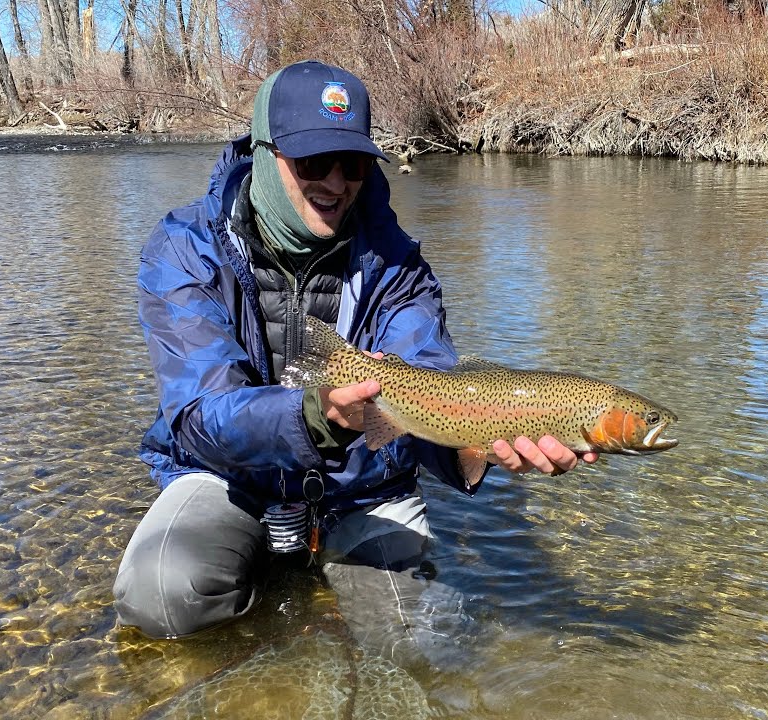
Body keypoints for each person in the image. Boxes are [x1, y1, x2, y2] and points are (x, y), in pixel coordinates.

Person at [113, 60, 597, 643]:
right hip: (228, 478)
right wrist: (314, 417)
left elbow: (429, 390)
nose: (337, 184)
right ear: (263, 153)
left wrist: (484, 443)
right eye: (314, 162)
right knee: (162, 597)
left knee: (422, 641)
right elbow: (197, 414)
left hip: (362, 487)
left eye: (354, 164)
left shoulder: (399, 267)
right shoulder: (186, 249)